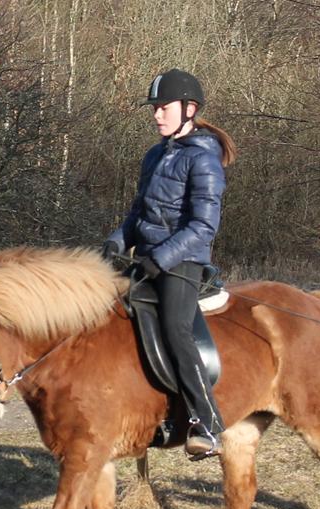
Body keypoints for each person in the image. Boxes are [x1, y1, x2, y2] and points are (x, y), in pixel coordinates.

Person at [102, 67, 237, 459]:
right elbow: (136, 214)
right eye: (155, 109)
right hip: (146, 259)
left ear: (189, 109)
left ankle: (206, 421)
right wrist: (114, 243)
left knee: (176, 328)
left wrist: (161, 258)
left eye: (164, 108)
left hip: (182, 261)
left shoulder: (204, 160)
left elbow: (203, 226)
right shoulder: (155, 155)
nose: (157, 114)